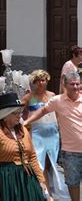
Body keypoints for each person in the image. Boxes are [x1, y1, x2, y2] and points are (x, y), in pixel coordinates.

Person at [24, 71, 82, 201]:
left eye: (78, 84)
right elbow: (43, 111)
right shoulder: (57, 100)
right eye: (72, 84)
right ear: (64, 84)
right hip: (70, 151)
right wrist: (26, 122)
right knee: (72, 182)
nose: (76, 87)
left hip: (53, 134)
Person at [0, 92, 47, 201]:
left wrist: (41, 180)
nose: (19, 116)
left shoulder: (23, 130)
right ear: (6, 114)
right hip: (7, 178)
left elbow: (32, 156)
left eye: (20, 112)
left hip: (27, 177)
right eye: (15, 113)